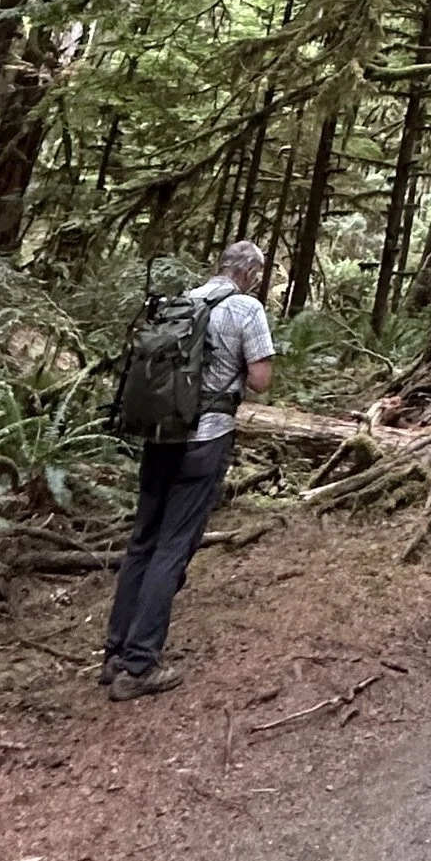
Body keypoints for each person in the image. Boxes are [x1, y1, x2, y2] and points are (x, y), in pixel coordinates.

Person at [102, 238, 274, 699]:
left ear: (221, 266)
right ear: (251, 273)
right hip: (207, 439)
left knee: (143, 542)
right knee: (173, 548)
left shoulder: (183, 301)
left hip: (161, 436)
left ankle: (115, 652)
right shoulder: (246, 309)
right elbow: (260, 380)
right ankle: (139, 666)